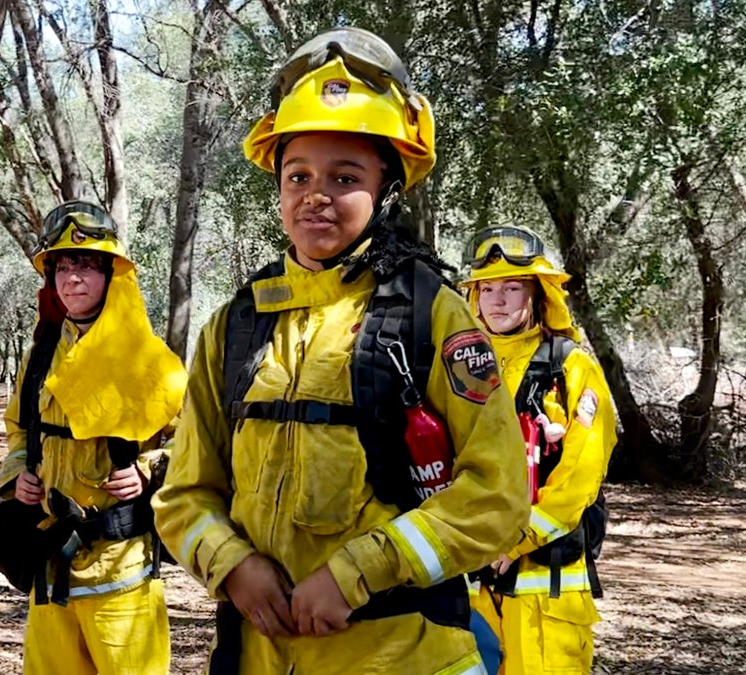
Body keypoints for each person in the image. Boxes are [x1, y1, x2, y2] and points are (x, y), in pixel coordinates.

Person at [152, 27, 529, 675]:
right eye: (297, 174)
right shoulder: (234, 327)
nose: (315, 193)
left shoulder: (429, 315)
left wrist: (359, 570)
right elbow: (184, 495)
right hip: (256, 656)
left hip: (402, 655)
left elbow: (497, 496)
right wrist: (232, 564)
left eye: (345, 175)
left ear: (387, 186)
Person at [0, 201, 188, 675]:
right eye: (62, 266)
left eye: (85, 265)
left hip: (119, 569)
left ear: (111, 274)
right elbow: (19, 429)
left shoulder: (153, 362)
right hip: (49, 559)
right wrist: (17, 473)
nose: (72, 278)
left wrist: (147, 470)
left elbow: (192, 444)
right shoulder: (41, 355)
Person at [459, 225, 616, 675]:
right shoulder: (459, 366)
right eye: (487, 288)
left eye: (512, 288)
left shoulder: (570, 365)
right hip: (472, 580)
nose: (498, 299)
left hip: (545, 583)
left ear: (539, 295)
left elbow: (581, 473)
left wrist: (518, 538)